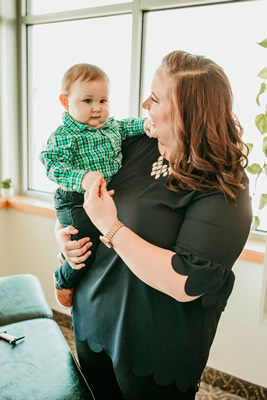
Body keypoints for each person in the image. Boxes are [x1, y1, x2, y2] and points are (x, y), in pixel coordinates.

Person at [55, 50, 252, 399]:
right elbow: (76, 194)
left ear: (186, 114)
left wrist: (111, 226)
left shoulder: (224, 186)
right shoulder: (131, 143)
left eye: (157, 97)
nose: (145, 103)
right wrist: (64, 237)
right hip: (93, 319)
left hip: (153, 348)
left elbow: (186, 281)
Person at [40, 63, 150, 307]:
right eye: (88, 101)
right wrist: (83, 177)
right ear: (66, 102)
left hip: (101, 198)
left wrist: (144, 125)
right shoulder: (65, 134)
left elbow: (126, 126)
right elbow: (52, 166)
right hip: (74, 199)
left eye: (103, 101)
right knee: (84, 247)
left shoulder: (111, 126)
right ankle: (64, 279)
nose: (97, 109)